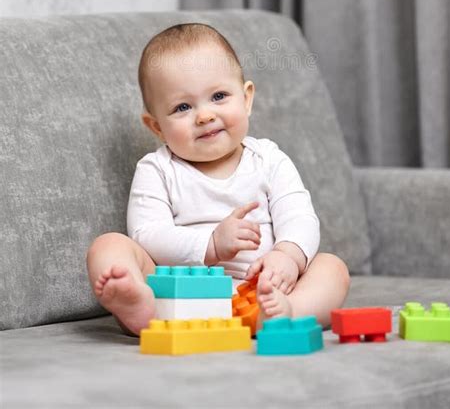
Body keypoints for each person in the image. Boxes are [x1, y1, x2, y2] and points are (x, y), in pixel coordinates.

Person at [86, 23, 350, 337]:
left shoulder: (268, 159)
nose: (205, 115)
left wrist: (288, 257)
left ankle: (287, 312)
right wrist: (209, 244)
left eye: (219, 96)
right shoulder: (157, 169)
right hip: (182, 291)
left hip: (261, 289)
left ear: (246, 98)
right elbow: (148, 234)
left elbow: (300, 216)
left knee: (332, 268)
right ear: (156, 127)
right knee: (109, 246)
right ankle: (142, 305)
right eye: (183, 107)